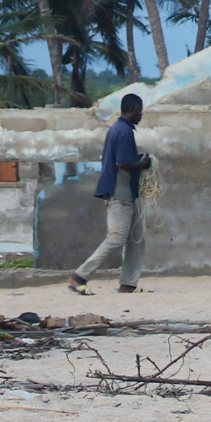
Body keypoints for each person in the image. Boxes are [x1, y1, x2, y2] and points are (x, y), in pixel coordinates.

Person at [68, 93, 151, 295]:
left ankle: (128, 283)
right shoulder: (124, 131)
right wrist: (143, 164)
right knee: (116, 238)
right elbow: (122, 163)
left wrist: (137, 160)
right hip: (119, 193)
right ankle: (79, 276)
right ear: (132, 110)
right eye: (140, 110)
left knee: (137, 238)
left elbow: (123, 158)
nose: (141, 115)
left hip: (127, 193)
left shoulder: (117, 129)